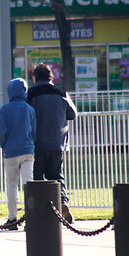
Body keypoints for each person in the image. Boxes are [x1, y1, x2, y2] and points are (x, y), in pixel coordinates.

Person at [27, 62, 78, 224]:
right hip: (58, 142)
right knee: (56, 176)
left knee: (37, 179)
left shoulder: (30, 94)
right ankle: (62, 202)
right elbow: (72, 114)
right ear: (51, 77)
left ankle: (40, 213)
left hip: (36, 144)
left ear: (34, 77)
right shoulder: (61, 92)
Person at [0, 78, 36, 230]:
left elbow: (1, 132)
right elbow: (34, 132)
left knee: (11, 184)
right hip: (27, 150)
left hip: (11, 151)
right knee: (28, 184)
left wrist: (3, 145)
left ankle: (12, 218)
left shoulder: (5, 109)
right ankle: (30, 218)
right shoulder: (30, 109)